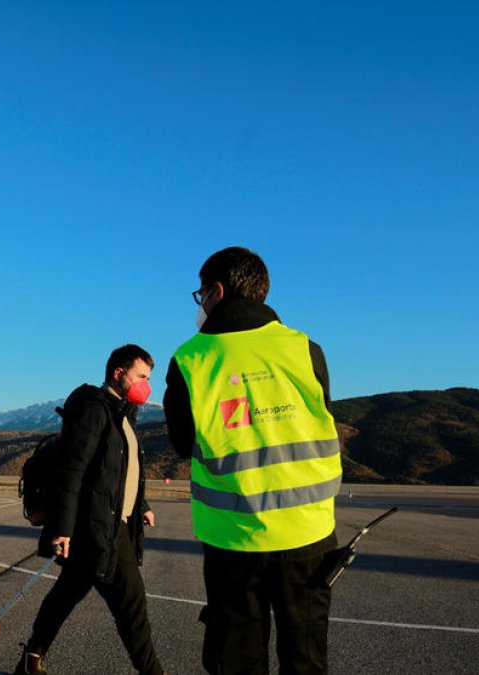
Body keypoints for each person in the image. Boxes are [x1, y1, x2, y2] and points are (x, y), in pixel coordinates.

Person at [164, 246, 342, 675]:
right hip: (309, 534)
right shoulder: (306, 349)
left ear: (216, 292)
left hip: (234, 542)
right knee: (306, 659)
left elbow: (183, 444)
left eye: (199, 294)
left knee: (238, 659)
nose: (199, 304)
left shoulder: (189, 360)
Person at [16, 344, 164, 675]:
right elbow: (74, 471)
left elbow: (122, 470)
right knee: (132, 604)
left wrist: (142, 505)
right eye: (141, 376)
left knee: (67, 593)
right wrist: (64, 529)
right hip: (97, 527)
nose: (147, 385)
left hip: (115, 520)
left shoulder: (123, 413)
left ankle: (31, 659)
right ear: (119, 374)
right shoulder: (94, 411)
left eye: (149, 378)